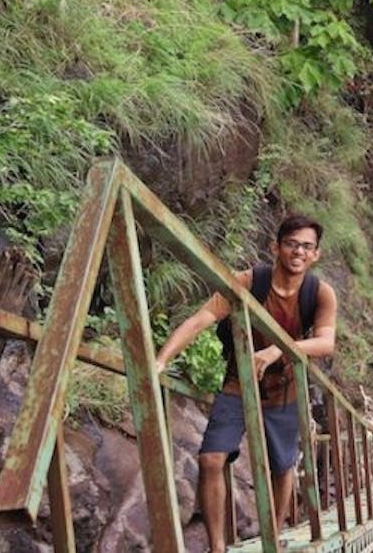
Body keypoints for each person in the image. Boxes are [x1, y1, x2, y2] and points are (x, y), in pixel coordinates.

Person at [155, 214, 337, 553]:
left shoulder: (319, 294)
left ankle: (273, 540)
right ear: (276, 247)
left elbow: (326, 343)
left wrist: (274, 351)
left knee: (282, 468)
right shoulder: (248, 282)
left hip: (285, 389)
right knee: (211, 458)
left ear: (316, 255)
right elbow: (200, 320)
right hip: (239, 384)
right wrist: (161, 359)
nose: (298, 252)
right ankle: (217, 547)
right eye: (292, 244)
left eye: (307, 247)